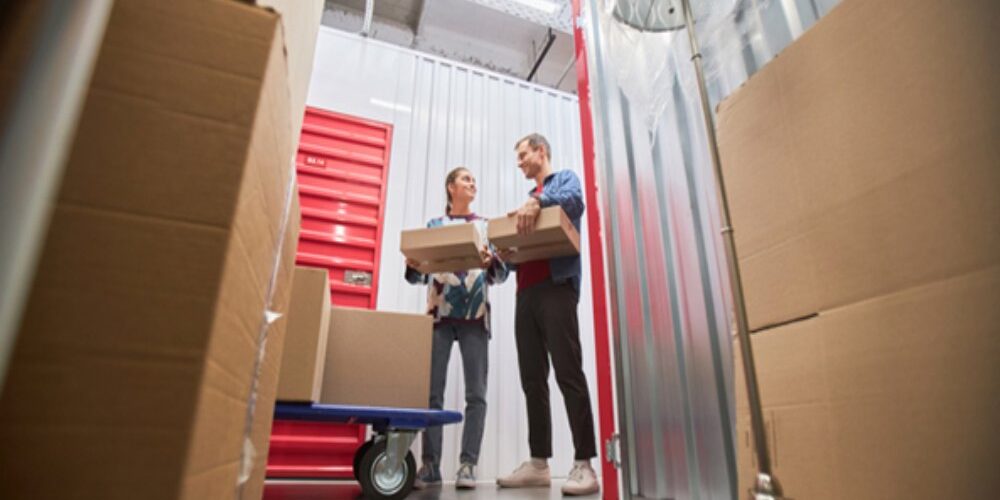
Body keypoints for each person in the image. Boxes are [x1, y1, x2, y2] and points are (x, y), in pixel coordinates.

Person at [495, 133, 600, 496]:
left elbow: (574, 201)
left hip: (557, 289)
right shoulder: (527, 204)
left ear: (542, 151)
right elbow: (511, 261)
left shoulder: (562, 181)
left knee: (568, 372)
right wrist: (499, 259)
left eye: (524, 154)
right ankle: (539, 464)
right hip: (525, 293)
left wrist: (537, 201)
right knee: (532, 380)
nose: (520, 161)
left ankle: (584, 463)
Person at [405, 166, 508, 490]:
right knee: (431, 394)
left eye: (474, 180)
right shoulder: (435, 226)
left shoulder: (486, 226)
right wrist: (413, 265)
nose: (472, 183)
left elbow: (501, 274)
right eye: (466, 179)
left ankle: (468, 465)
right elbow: (419, 275)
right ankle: (430, 466)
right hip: (440, 317)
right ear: (451, 187)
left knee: (476, 396)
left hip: (475, 318)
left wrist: (493, 262)